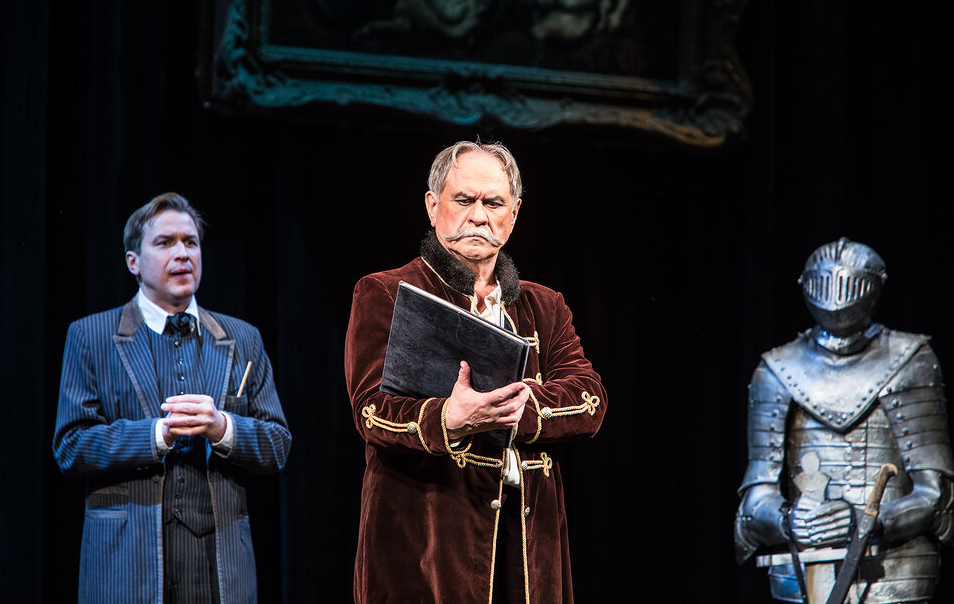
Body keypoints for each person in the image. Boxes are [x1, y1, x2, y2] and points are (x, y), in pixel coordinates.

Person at [344, 140, 606, 603]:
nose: (479, 216)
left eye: (494, 203)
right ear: (433, 206)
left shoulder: (544, 305)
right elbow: (371, 411)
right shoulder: (385, 291)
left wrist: (515, 408)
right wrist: (448, 418)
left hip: (528, 545)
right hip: (427, 541)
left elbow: (589, 399)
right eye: (464, 200)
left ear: (514, 214)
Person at [53, 193, 292, 604]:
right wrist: (156, 435)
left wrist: (223, 427)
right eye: (165, 243)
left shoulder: (242, 338)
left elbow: (278, 444)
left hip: (220, 570)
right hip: (128, 567)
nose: (182, 253)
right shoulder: (90, 337)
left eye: (190, 242)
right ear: (133, 261)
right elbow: (70, 446)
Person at [734, 238, 954, 603]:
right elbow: (757, 499)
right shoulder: (777, 369)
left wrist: (870, 521)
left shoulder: (909, 359)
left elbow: (934, 495)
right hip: (803, 569)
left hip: (894, 567)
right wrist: (790, 520)